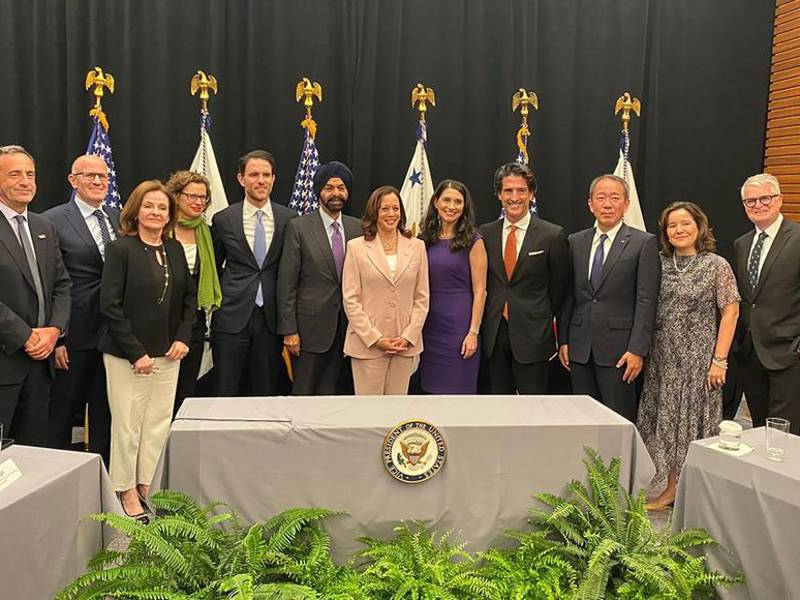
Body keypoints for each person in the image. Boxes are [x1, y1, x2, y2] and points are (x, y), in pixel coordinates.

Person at [99, 180, 196, 521]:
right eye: (149, 206)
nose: (156, 212)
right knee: (128, 426)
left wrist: (183, 338)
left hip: (169, 355)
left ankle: (147, 486)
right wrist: (136, 352)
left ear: (170, 215)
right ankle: (124, 490)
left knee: (157, 425)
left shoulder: (175, 250)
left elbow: (189, 299)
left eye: (162, 208)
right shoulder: (120, 250)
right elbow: (110, 307)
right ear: (136, 211)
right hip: (127, 357)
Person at [637, 202, 739, 510]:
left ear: (699, 227)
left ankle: (691, 491)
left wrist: (719, 360)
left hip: (699, 361)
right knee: (666, 424)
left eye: (685, 224)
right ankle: (670, 487)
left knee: (691, 425)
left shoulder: (716, 265)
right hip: (663, 359)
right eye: (672, 226)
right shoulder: (658, 263)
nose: (678, 230)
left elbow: (731, 311)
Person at [558, 174, 660, 421]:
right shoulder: (575, 242)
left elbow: (646, 301)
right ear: (590, 204)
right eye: (600, 197)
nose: (607, 204)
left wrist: (637, 349)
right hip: (580, 348)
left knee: (618, 420)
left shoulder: (642, 243)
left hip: (620, 352)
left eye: (615, 198)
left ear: (626, 204)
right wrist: (563, 340)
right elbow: (569, 295)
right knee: (581, 419)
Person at [44, 154, 119, 461]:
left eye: (103, 176)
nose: (99, 182)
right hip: (73, 337)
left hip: (113, 337)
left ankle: (101, 484)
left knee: (106, 416)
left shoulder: (120, 216)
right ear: (73, 180)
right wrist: (58, 337)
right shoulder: (52, 220)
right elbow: (48, 283)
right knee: (61, 416)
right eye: (90, 176)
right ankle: (55, 479)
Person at [0, 145, 71, 446]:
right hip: (6, 361)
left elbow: (63, 285)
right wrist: (25, 336)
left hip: (41, 368)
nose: (25, 181)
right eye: (15, 174)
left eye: (30, 174)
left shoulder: (45, 226)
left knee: (34, 455)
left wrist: (54, 330)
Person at [480, 163, 570, 394]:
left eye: (521, 190)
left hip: (534, 337)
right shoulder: (485, 233)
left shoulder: (552, 235)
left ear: (531, 194)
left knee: (533, 414)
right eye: (508, 191)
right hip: (493, 337)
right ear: (499, 195)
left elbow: (560, 291)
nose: (514, 197)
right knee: (497, 413)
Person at [211, 150, 294, 396]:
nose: (261, 180)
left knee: (267, 390)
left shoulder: (289, 219)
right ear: (241, 179)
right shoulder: (223, 219)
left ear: (273, 179)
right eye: (254, 174)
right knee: (225, 388)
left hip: (271, 319)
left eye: (266, 175)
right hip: (230, 317)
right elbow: (214, 269)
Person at [277, 161, 361, 395]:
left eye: (341, 187)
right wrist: (289, 331)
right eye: (329, 187)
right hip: (308, 331)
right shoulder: (299, 227)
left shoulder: (359, 228)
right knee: (304, 394)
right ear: (318, 192)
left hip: (348, 329)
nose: (335, 193)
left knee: (335, 397)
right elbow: (287, 283)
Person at [342, 186, 429, 395]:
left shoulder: (417, 247)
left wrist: (408, 336)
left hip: (404, 346)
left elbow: (422, 298)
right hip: (368, 346)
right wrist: (375, 339)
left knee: (396, 415)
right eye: (385, 209)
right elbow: (351, 299)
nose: (391, 214)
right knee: (369, 416)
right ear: (374, 212)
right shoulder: (356, 247)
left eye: (396, 209)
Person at [733, 173, 800, 433]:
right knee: (760, 430)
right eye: (751, 201)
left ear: (779, 199)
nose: (758, 205)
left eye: (765, 198)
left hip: (789, 354)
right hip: (751, 354)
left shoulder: (797, 238)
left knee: (787, 433)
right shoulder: (742, 244)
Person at [418, 179, 487, 394]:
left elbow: (480, 291)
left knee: (457, 396)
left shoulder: (474, 241)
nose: (451, 206)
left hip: (459, 331)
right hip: (427, 330)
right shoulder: (423, 240)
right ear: (436, 202)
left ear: (464, 207)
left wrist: (473, 332)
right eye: (446, 200)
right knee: (427, 395)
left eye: (458, 202)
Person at [165, 170, 221, 415]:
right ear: (176, 197)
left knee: (187, 390)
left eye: (204, 198)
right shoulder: (160, 228)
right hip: (161, 320)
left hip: (194, 321)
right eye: (192, 197)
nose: (199, 202)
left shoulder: (209, 232)